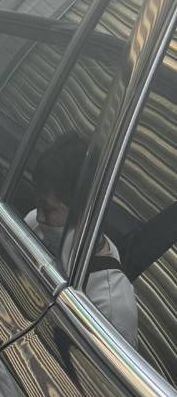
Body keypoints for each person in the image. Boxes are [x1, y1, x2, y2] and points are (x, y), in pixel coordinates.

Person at [24, 130, 138, 344]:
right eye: (38, 202)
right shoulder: (35, 225)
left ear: (83, 211)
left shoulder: (112, 307)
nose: (39, 216)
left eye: (49, 209)